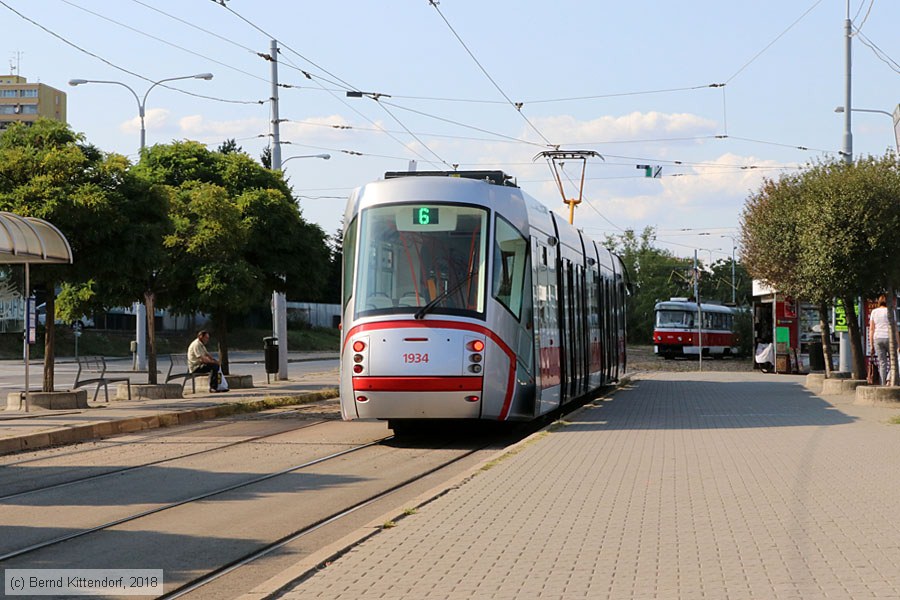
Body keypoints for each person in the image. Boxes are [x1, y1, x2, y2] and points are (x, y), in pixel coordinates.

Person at [868, 295, 891, 386]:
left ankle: (882, 384)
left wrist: (871, 345)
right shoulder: (890, 311)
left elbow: (871, 329)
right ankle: (889, 380)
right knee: (894, 361)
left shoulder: (874, 312)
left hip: (877, 338)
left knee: (882, 363)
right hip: (889, 338)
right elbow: (894, 328)